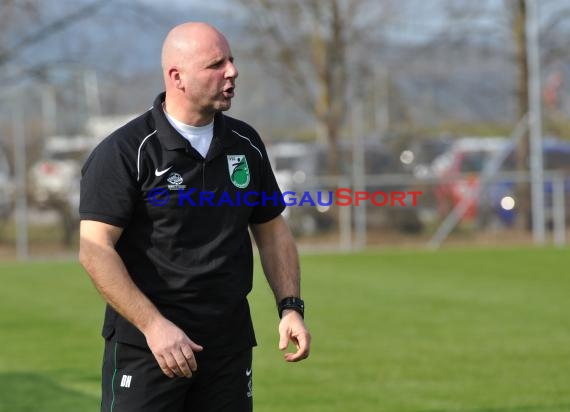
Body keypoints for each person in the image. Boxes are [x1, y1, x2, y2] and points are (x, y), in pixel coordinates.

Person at [78, 22, 310, 412]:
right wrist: (154, 327)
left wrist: (290, 307)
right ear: (177, 77)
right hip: (150, 348)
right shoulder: (126, 151)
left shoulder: (246, 144)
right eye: (216, 64)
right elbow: (95, 249)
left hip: (227, 345)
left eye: (231, 60)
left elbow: (272, 232)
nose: (232, 71)